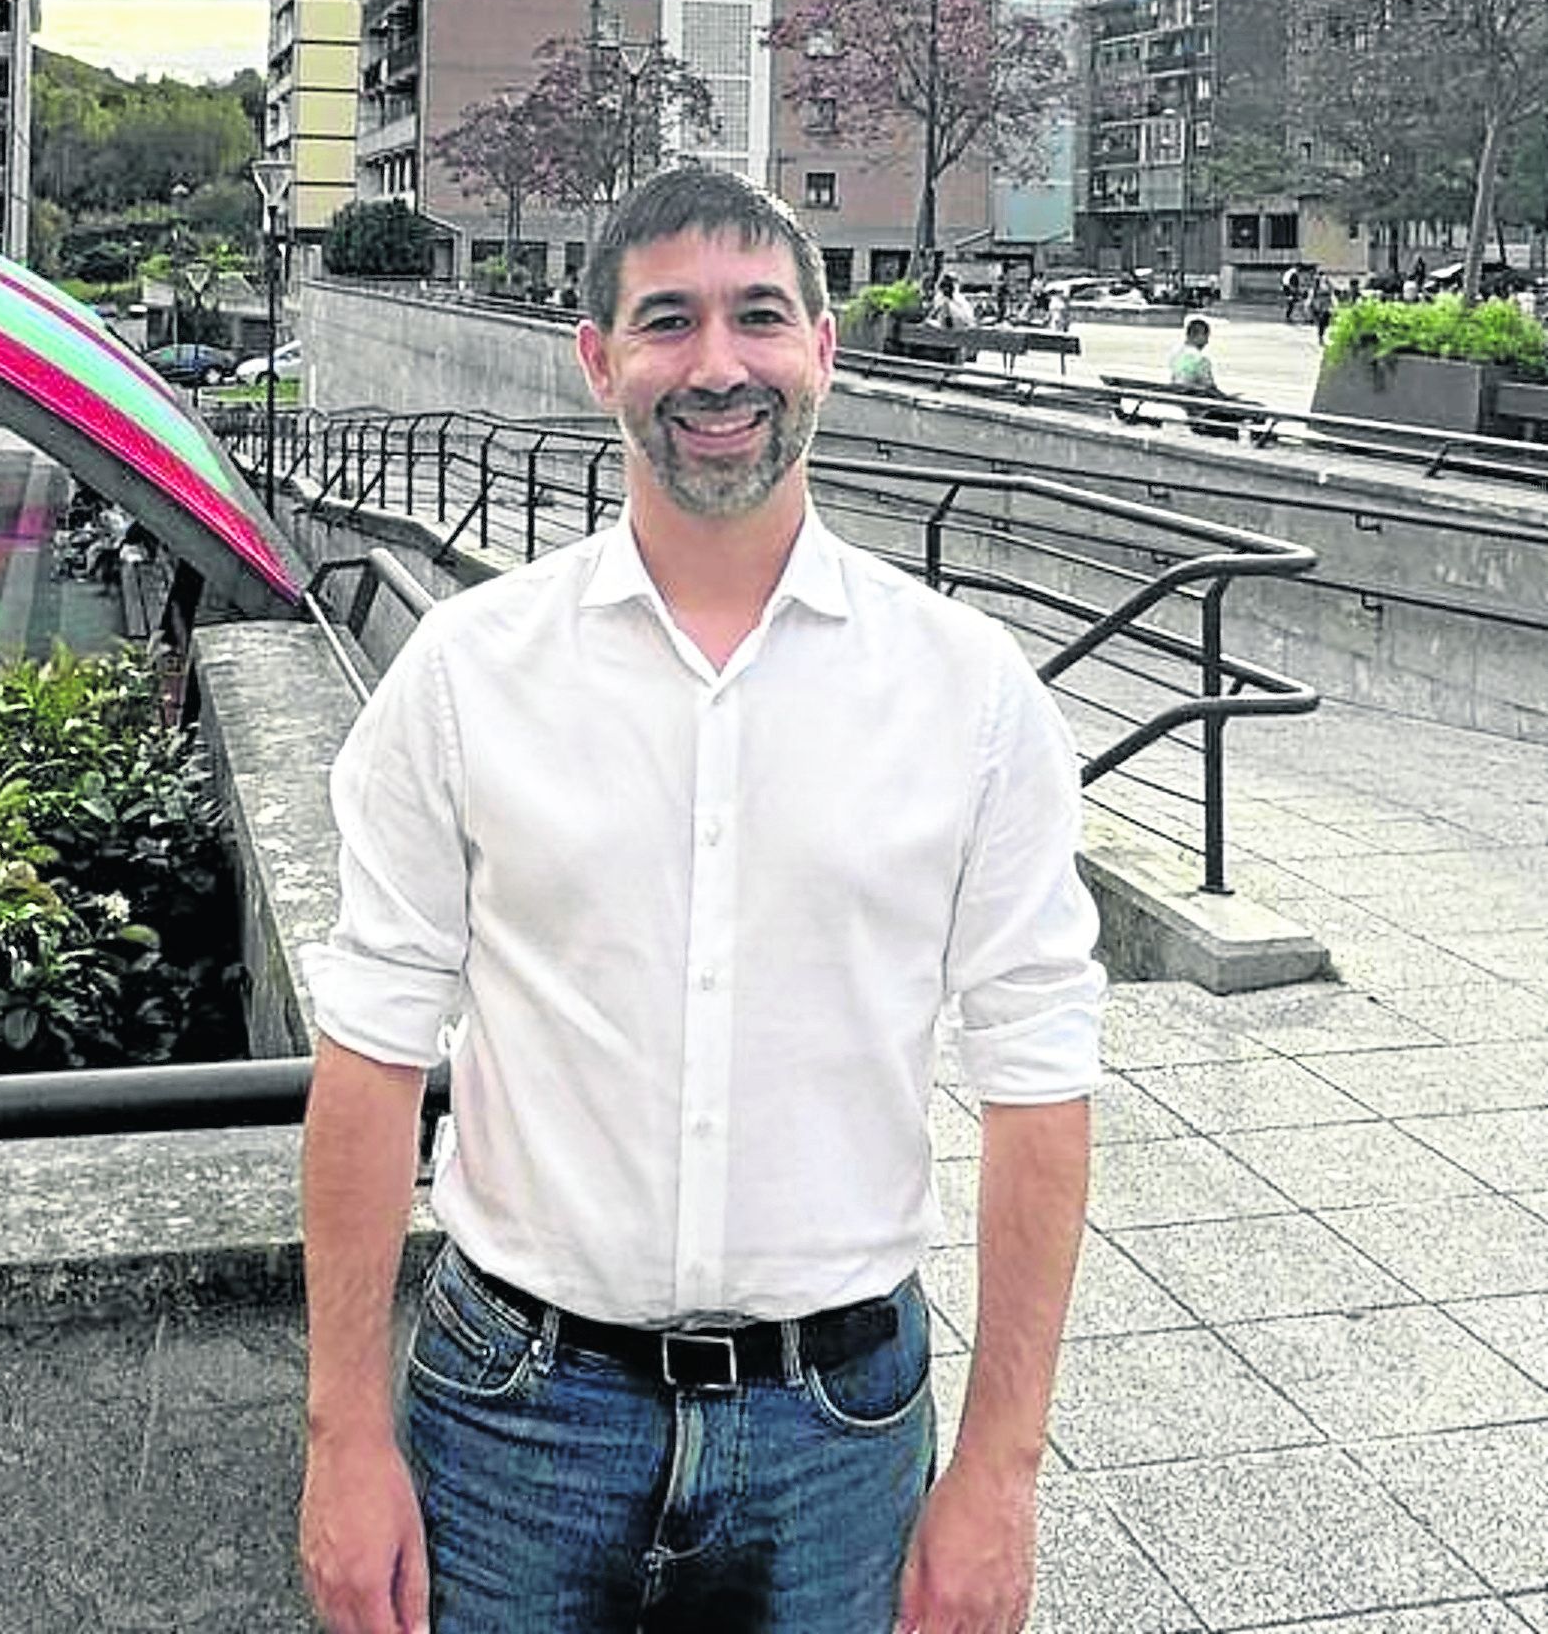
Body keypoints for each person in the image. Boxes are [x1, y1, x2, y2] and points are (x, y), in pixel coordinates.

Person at [297, 166, 1104, 1634]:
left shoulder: (968, 695)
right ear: (596, 358)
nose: (718, 365)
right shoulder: (468, 676)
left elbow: (1038, 1081)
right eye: (667, 320)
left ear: (824, 351)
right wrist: (342, 1432)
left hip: (839, 1428)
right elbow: (369, 1054)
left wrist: (1002, 1466)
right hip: (515, 1419)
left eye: (760, 317)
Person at [1167, 314, 1223, 394]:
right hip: (1194, 395)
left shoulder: (1175, 353)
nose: (1207, 342)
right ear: (1194, 335)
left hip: (1176, 392)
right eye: (1206, 337)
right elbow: (1209, 385)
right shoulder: (1201, 359)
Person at [1308, 273, 1336, 343]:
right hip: (1319, 306)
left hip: (1325, 306)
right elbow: (1311, 297)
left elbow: (1332, 293)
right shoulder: (1315, 288)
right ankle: (1320, 337)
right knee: (1321, 322)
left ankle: (1321, 336)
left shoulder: (1327, 285)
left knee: (1325, 322)